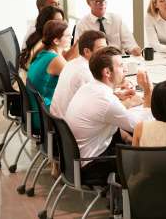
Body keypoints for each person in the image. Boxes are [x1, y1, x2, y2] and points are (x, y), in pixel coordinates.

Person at [65, 46, 153, 184]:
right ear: (107, 72)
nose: (125, 70)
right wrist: (148, 91)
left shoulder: (88, 87)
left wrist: (117, 96)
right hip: (91, 164)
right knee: (151, 156)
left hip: (74, 159)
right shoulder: (106, 101)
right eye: (120, 66)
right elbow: (141, 126)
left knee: (129, 138)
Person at [50, 30, 107, 119]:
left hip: (58, 122)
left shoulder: (72, 63)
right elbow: (100, 106)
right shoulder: (85, 72)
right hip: (68, 125)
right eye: (101, 49)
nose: (106, 52)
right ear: (87, 51)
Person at [27, 20, 71, 130]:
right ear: (56, 40)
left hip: (37, 112)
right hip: (46, 118)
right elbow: (77, 79)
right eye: (67, 35)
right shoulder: (55, 59)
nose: (71, 37)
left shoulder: (43, 53)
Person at [74, 0, 142, 56]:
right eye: (98, 1)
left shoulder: (117, 19)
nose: (103, 4)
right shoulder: (82, 24)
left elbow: (131, 45)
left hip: (118, 60)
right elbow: (79, 52)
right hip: (95, 63)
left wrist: (135, 50)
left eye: (105, 0)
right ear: (88, 2)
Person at [19, 6, 65, 72]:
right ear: (47, 23)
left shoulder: (37, 36)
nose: (62, 25)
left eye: (62, 21)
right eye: (57, 21)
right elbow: (62, 66)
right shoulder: (43, 45)